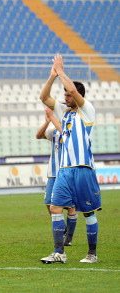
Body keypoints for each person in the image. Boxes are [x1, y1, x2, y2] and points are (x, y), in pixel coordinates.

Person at [39, 54, 100, 264]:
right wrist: (52, 76)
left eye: (68, 95)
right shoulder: (65, 113)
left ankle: (92, 254)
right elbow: (43, 97)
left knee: (88, 213)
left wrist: (61, 70)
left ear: (78, 97)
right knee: (55, 208)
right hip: (64, 170)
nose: (65, 97)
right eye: (64, 94)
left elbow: (73, 89)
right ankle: (59, 253)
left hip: (82, 168)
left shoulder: (87, 110)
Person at [36, 107, 77, 247]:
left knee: (71, 206)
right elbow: (38, 135)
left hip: (67, 172)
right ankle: (63, 229)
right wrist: (47, 121)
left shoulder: (73, 130)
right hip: (52, 173)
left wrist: (53, 118)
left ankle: (68, 238)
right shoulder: (53, 132)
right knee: (49, 202)